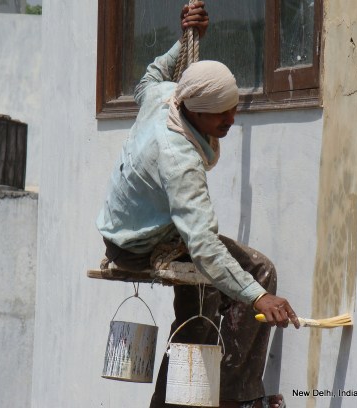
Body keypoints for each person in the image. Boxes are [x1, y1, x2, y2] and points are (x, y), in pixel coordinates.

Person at [96, 2, 299, 407]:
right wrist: (258, 298)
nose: (230, 120)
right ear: (195, 110)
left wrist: (185, 42)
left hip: (141, 227)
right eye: (220, 114)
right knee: (213, 299)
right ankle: (200, 399)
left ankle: (229, 391)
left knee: (253, 273)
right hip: (139, 246)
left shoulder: (166, 96)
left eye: (233, 109)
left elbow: (150, 78)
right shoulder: (180, 161)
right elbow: (204, 247)